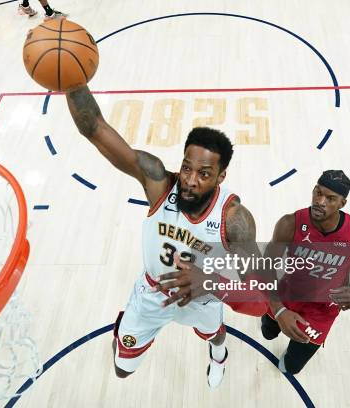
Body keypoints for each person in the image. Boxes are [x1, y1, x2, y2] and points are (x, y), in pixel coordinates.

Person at [64, 85, 266, 388]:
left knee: (216, 334)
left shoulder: (235, 220)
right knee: (121, 370)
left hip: (203, 297)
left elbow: (257, 289)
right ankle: (127, 331)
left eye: (204, 174)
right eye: (187, 168)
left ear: (221, 177)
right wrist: (73, 81)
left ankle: (219, 354)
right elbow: (94, 128)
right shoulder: (158, 182)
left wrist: (209, 281)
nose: (190, 180)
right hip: (153, 292)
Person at [154, 170, 350, 375]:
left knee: (291, 366)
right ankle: (273, 321)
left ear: (342, 203)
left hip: (322, 311)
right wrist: (279, 309)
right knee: (268, 333)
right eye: (317, 192)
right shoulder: (290, 224)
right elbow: (265, 268)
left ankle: (288, 362)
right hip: (284, 297)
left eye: (330, 198)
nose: (320, 201)